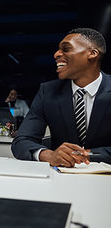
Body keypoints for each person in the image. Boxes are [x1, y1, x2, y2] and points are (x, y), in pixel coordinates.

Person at [12, 28, 111, 167]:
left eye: (65, 49)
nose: (56, 54)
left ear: (92, 53)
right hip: (59, 178)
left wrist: (84, 155)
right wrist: (49, 155)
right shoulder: (47, 92)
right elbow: (21, 141)